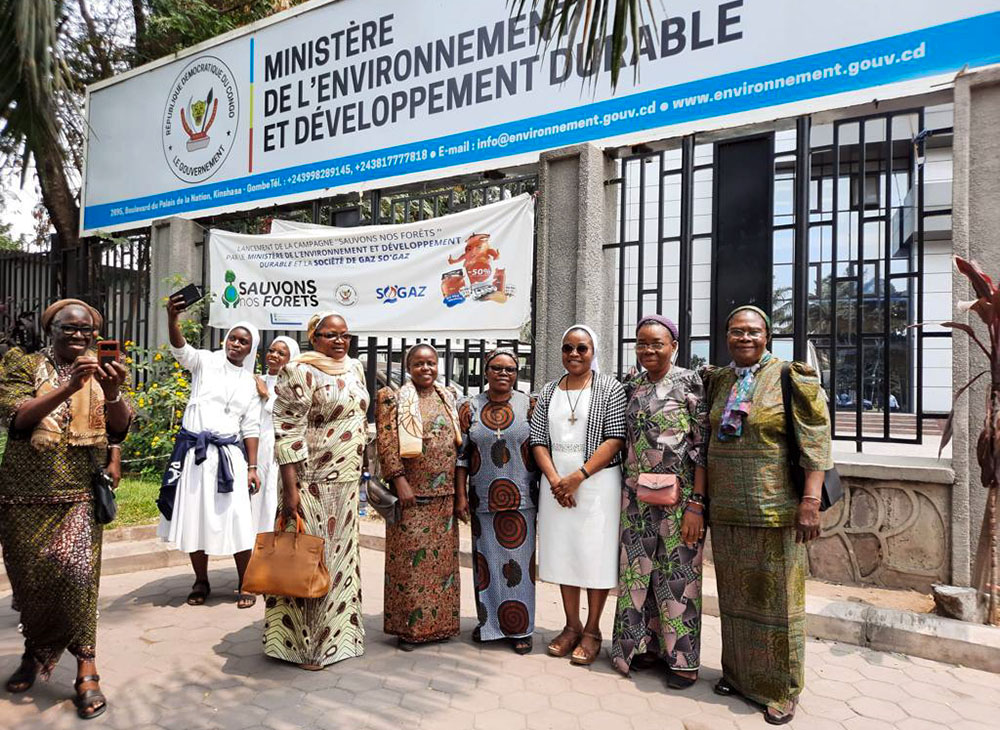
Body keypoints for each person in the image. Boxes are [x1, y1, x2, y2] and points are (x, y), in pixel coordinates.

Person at [0, 299, 131, 719]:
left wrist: (110, 395)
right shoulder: (22, 364)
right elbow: (16, 417)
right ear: (50, 329)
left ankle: (86, 669)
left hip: (79, 492)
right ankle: (34, 652)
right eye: (68, 328)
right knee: (31, 584)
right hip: (24, 493)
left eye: (86, 330)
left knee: (77, 578)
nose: (78, 335)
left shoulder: (101, 367)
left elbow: (120, 425)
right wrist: (70, 386)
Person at [704, 305, 832, 725]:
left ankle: (782, 689)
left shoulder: (787, 377)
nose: (744, 338)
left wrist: (810, 502)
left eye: (753, 331)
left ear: (767, 336)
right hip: (727, 511)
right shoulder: (720, 381)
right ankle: (739, 677)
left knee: (779, 603)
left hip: (776, 510)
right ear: (726, 336)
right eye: (736, 331)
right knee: (735, 599)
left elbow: (815, 439)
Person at [265, 313, 367, 669]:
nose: (339, 341)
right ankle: (307, 647)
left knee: (342, 563)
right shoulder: (299, 371)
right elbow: (287, 432)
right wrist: (291, 492)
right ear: (314, 337)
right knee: (310, 560)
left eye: (345, 334)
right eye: (330, 335)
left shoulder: (354, 368)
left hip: (347, 484)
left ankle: (343, 638)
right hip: (311, 483)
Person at [611, 315, 708, 689]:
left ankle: (684, 660)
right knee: (638, 575)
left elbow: (702, 448)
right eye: (642, 343)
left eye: (657, 343)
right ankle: (642, 648)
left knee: (679, 578)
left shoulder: (691, 383)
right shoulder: (631, 385)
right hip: (636, 500)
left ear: (674, 346)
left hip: (680, 501)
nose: (649, 350)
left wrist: (698, 503)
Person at [530, 325, 626, 666]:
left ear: (592, 352)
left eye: (581, 349)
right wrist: (557, 480)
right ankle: (570, 626)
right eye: (567, 348)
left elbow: (615, 439)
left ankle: (592, 630)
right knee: (565, 553)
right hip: (556, 488)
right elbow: (537, 439)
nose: (573, 354)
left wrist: (577, 477)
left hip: (597, 486)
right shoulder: (548, 389)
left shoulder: (609, 388)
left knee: (594, 555)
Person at [158, 295, 261, 609]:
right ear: (225, 339)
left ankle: (246, 581)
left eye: (243, 342)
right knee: (195, 518)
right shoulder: (204, 361)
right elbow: (180, 348)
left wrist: (253, 467)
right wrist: (173, 319)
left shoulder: (249, 382)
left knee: (238, 520)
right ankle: (201, 580)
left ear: (250, 348)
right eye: (233, 338)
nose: (236, 344)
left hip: (229, 457)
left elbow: (252, 427)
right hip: (196, 456)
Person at [376, 343, 462, 650]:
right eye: (419, 364)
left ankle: (441, 626)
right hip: (412, 496)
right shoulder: (393, 399)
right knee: (411, 564)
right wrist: (400, 482)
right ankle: (410, 630)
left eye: (431, 363)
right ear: (408, 367)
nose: (426, 368)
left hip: (444, 497)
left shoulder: (448, 396)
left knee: (441, 566)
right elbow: (386, 444)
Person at [456, 348, 540, 655]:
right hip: (483, 500)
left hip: (522, 501)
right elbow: (461, 456)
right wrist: (461, 495)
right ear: (486, 371)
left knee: (520, 566)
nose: (503, 374)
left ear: (516, 374)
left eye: (510, 369)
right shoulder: (469, 406)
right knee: (487, 564)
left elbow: (540, 448)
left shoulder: (529, 404)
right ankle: (489, 625)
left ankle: (521, 629)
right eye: (497, 368)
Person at [253, 336, 300, 534]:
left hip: (278, 448)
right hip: (256, 447)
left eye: (281, 353)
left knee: (273, 498)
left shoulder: (293, 384)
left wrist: (267, 395)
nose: (274, 355)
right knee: (254, 499)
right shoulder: (257, 379)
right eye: (272, 350)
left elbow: (293, 414)